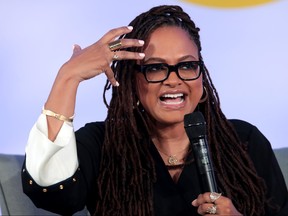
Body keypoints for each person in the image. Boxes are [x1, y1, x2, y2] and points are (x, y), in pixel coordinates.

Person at [21, 5, 288, 216]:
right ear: (131, 81)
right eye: (155, 68)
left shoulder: (243, 141)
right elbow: (52, 193)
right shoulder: (104, 143)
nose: (174, 79)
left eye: (186, 65)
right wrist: (68, 77)